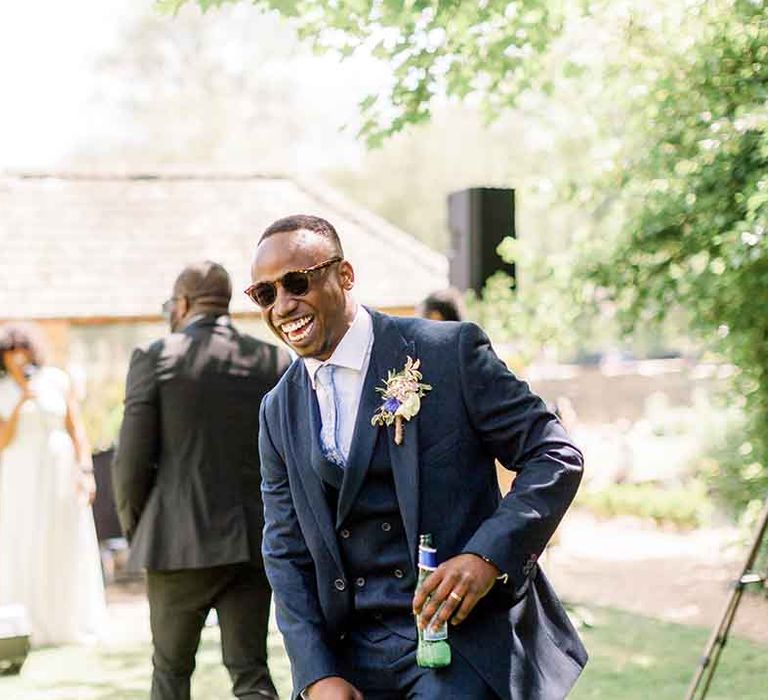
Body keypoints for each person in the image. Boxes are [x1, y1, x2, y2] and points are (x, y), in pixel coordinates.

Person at [249, 215, 587, 700]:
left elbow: (555, 454)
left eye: (296, 283)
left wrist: (486, 555)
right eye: (265, 294)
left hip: (464, 644)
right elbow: (285, 549)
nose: (283, 305)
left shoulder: (447, 353)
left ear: (344, 276)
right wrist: (316, 672)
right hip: (355, 658)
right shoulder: (277, 410)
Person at [112, 261, 290, 700]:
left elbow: (130, 461)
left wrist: (138, 529)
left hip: (176, 543)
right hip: (251, 540)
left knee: (170, 673)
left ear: (184, 303)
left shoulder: (156, 357)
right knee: (251, 671)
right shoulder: (272, 360)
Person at [0, 322, 106, 646]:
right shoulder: (3, 390)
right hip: (20, 473)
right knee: (23, 538)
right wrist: (21, 400)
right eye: (11, 354)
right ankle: (26, 622)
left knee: (62, 536)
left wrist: (85, 470)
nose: (19, 359)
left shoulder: (57, 381)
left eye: (23, 352)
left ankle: (69, 621)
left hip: (60, 469)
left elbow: (77, 429)